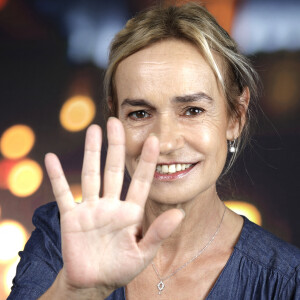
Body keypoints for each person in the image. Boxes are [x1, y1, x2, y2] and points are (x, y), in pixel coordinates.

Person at [8, 2, 300, 300]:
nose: (165, 142)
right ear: (116, 119)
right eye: (140, 114)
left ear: (236, 117)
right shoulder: (62, 238)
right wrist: (73, 293)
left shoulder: (287, 281)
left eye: (192, 110)